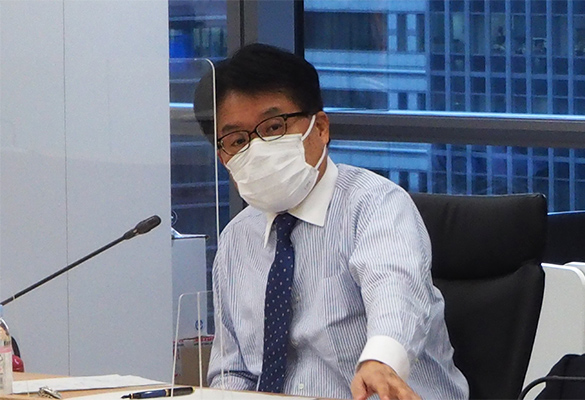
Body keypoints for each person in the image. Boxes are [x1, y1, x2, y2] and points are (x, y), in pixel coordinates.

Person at [193, 43, 468, 400]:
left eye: (274, 127)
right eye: (237, 140)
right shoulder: (236, 239)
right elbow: (234, 371)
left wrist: (380, 360)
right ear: (223, 156)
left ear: (320, 128)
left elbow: (396, 291)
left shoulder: (375, 204)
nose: (257, 148)